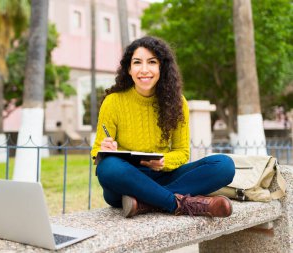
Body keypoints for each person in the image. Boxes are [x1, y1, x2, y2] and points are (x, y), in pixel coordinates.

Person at [91, 36, 235, 218]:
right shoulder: (113, 101)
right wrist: (106, 150)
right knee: (108, 167)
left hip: (163, 174)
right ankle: (177, 203)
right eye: (137, 63)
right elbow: (97, 151)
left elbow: (182, 152)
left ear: (161, 67)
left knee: (224, 165)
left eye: (152, 62)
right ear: (129, 69)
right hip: (125, 181)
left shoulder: (177, 102)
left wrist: (163, 162)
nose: (144, 70)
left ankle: (145, 203)